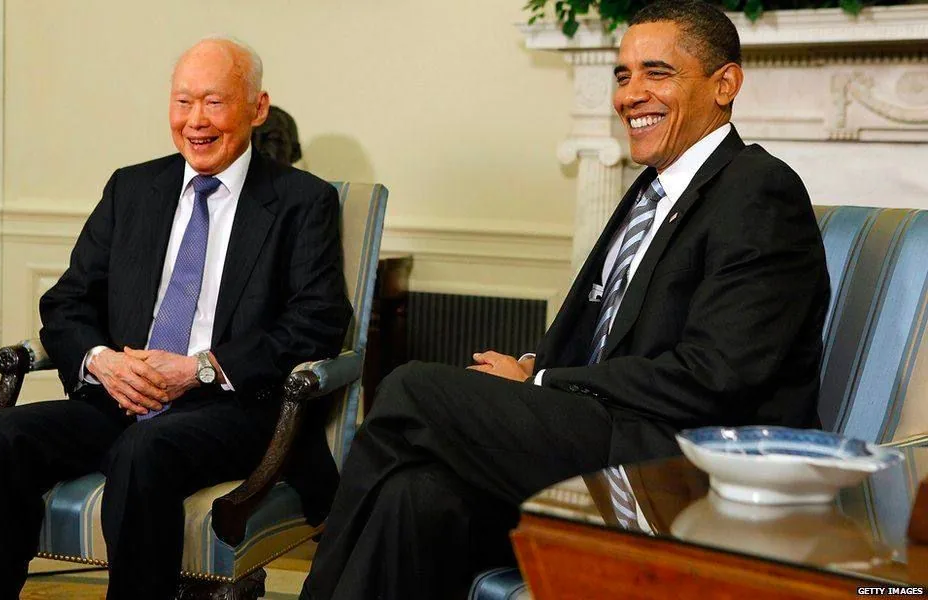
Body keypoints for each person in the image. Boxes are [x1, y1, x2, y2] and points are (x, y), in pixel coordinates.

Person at [300, 2, 831, 599]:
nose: (630, 95)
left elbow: (718, 375)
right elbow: (605, 331)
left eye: (656, 73)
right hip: (616, 435)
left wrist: (544, 383)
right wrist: (536, 368)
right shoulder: (651, 192)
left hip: (686, 468)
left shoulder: (758, 190)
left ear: (725, 83)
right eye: (622, 75)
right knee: (415, 496)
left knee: (409, 388)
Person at [0, 36, 352, 599]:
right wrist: (103, 363)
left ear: (257, 108)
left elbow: (316, 322)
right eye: (183, 101)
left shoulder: (300, 201)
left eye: (214, 102)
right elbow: (67, 302)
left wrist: (201, 370)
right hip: (122, 396)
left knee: (143, 451)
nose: (196, 121)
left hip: (231, 408)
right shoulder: (132, 188)